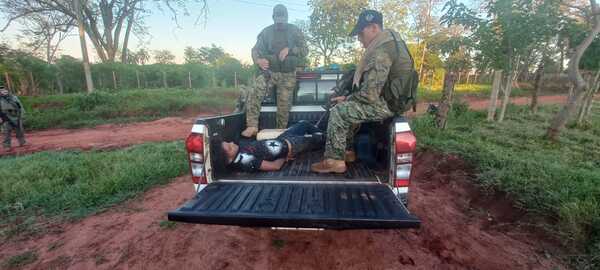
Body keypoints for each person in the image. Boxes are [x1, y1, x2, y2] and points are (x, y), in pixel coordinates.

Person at [311, 10, 416, 174]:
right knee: (350, 107)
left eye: (361, 33)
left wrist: (346, 99)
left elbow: (369, 94)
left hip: (387, 104)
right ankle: (347, 152)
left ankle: (334, 161)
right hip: (392, 100)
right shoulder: (391, 43)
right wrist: (349, 98)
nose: (359, 39)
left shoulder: (382, 51)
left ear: (374, 28)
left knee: (339, 111)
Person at [241, 4, 308, 138]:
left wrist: (290, 49)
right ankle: (252, 126)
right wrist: (258, 61)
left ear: (287, 18)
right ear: (273, 18)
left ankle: (279, 133)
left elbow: (305, 50)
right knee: (255, 89)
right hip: (270, 72)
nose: (280, 23)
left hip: (288, 73)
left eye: (283, 20)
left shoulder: (295, 31)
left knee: (284, 105)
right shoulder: (266, 32)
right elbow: (255, 50)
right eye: (278, 20)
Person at [212, 121, 324, 173]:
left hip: (282, 139)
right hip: (292, 145)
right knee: (322, 138)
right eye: (230, 147)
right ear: (228, 160)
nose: (232, 143)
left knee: (303, 124)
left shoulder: (237, 154)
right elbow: (275, 166)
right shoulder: (246, 161)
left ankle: (320, 136)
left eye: (228, 142)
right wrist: (285, 156)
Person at [0, 85, 26, 150]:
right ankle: (6, 146)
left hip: (16, 116)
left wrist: (22, 114)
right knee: (6, 132)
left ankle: (22, 142)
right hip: (5, 117)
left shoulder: (14, 97)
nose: (4, 91)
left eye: (5, 89)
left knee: (19, 130)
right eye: (2, 90)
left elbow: (20, 106)